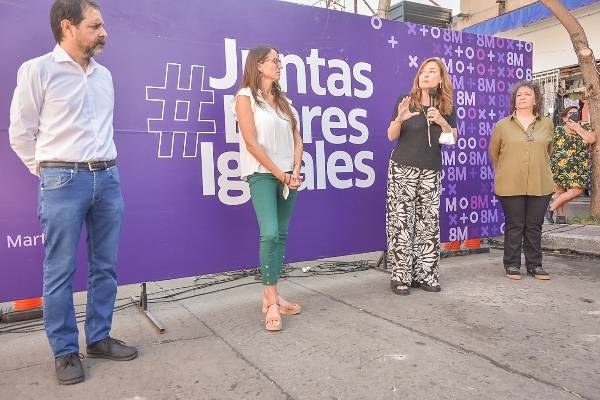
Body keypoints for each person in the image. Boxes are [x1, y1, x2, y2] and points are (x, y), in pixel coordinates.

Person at [9, 0, 137, 385]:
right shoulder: (37, 70)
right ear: (68, 27)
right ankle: (64, 352)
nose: (104, 32)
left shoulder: (104, 76)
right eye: (96, 25)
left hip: (108, 179)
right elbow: (20, 133)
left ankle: (98, 338)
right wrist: (50, 170)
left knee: (105, 266)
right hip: (62, 181)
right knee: (60, 270)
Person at [232, 45, 303, 331]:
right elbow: (251, 142)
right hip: (262, 173)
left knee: (282, 235)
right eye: (274, 60)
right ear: (258, 65)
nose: (279, 64)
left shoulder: (286, 102)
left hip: (289, 175)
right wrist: (279, 174)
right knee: (270, 233)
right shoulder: (244, 96)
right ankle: (271, 303)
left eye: (280, 60)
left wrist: (294, 170)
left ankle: (272, 296)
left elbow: (298, 139)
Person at [385, 57, 457, 295]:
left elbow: (453, 138)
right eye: (423, 71)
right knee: (402, 222)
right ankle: (400, 276)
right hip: (403, 168)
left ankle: (425, 275)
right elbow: (390, 135)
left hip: (430, 169)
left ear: (440, 79)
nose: (426, 75)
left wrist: (442, 122)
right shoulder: (406, 101)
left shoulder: (446, 106)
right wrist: (400, 118)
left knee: (428, 223)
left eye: (432, 71)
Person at [489, 81, 554, 281]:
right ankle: (512, 264)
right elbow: (494, 154)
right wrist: (507, 171)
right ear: (514, 101)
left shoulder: (547, 124)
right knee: (515, 224)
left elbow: (549, 151)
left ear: (536, 100)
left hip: (540, 182)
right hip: (510, 182)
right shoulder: (502, 125)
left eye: (527, 94)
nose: (522, 97)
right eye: (518, 95)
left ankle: (535, 265)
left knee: (534, 225)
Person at [546, 106, 596, 224]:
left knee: (577, 190)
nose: (574, 115)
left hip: (577, 167)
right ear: (564, 118)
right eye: (570, 113)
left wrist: (578, 128)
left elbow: (591, 139)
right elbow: (550, 148)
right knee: (559, 191)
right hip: (558, 165)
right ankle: (561, 218)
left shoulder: (584, 127)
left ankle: (551, 207)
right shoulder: (558, 130)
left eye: (576, 113)